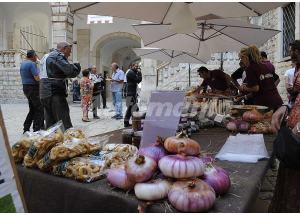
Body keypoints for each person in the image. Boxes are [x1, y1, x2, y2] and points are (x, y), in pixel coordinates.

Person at [269, 40, 300, 212]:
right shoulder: (297, 69)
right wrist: (285, 107)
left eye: (293, 51)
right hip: (294, 131)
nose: (290, 55)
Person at [40, 42, 81, 130]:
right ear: (64, 49)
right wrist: (77, 66)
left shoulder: (46, 56)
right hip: (54, 92)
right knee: (63, 119)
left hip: (44, 91)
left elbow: (55, 73)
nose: (69, 54)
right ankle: (68, 141)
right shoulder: (57, 56)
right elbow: (71, 72)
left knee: (50, 121)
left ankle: (52, 141)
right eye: (69, 52)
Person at [238, 45, 283, 111]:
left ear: (246, 57)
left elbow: (256, 88)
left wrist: (243, 87)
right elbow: (264, 85)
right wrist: (245, 95)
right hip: (276, 101)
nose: (241, 61)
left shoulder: (250, 68)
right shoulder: (264, 65)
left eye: (241, 59)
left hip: (264, 104)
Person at [20, 50, 44, 133]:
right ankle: (37, 129)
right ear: (33, 56)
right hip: (33, 88)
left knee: (33, 109)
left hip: (26, 87)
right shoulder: (32, 64)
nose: (37, 57)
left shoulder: (23, 63)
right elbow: (37, 78)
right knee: (40, 109)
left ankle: (26, 128)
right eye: (36, 56)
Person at [124, 63, 142, 127]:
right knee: (134, 109)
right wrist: (139, 73)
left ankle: (127, 122)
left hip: (132, 93)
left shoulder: (132, 72)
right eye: (136, 66)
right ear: (132, 66)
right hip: (130, 93)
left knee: (131, 109)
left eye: (137, 67)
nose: (137, 68)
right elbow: (138, 80)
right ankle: (133, 123)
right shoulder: (130, 72)